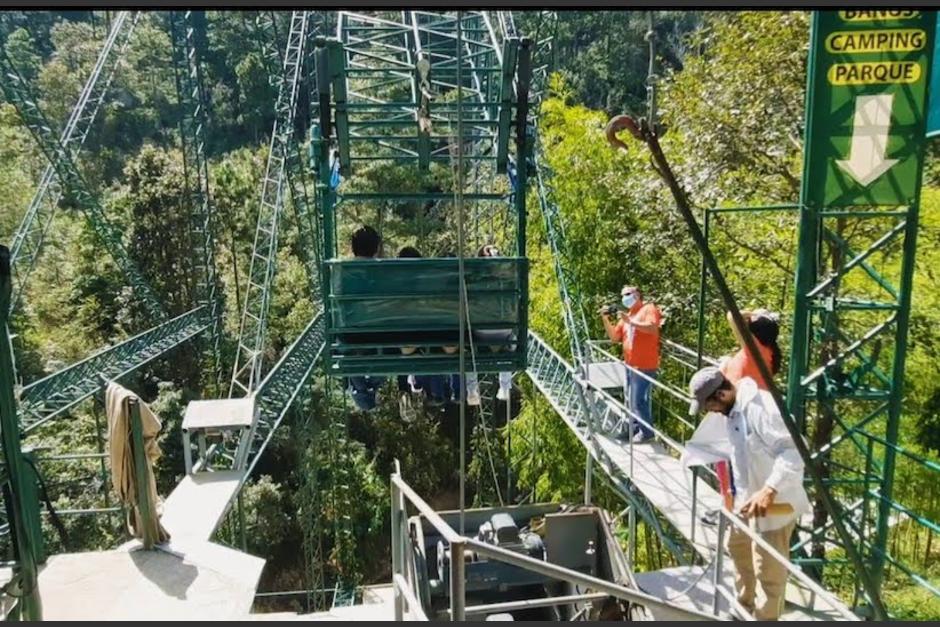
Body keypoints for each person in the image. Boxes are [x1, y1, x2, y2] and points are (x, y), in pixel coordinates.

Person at [687, 367, 810, 620]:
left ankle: (765, 618)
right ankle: (743, 605)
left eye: (708, 405)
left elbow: (796, 450)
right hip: (747, 500)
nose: (709, 412)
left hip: (775, 503)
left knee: (769, 570)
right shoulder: (732, 413)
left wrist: (769, 489)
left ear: (721, 394)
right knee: (736, 546)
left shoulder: (762, 408)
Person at [600, 285, 662, 443]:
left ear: (638, 294)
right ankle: (634, 428)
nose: (624, 298)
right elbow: (615, 337)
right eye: (622, 295)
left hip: (645, 364)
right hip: (630, 365)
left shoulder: (648, 309)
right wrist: (605, 319)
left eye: (628, 294)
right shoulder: (626, 316)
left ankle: (647, 433)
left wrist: (632, 322)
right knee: (631, 398)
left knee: (638, 399)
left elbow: (653, 328)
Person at [345, 225, 385, 411]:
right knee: (385, 349)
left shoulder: (339, 270)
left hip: (349, 334)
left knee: (351, 353)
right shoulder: (385, 272)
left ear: (353, 248)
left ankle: (365, 394)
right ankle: (366, 392)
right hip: (380, 334)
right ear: (376, 249)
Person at [721, 309, 782, 390]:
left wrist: (754, 313)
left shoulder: (754, 346)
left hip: (738, 398)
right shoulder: (770, 351)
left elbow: (732, 315)